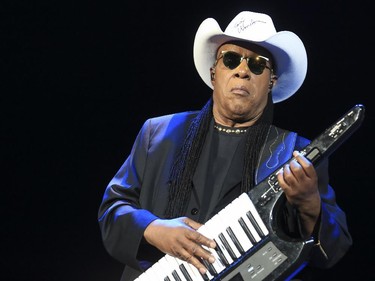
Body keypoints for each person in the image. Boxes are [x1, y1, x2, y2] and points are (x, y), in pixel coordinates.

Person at [98, 11, 352, 281]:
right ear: (214, 73)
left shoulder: (294, 153)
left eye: (257, 65)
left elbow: (333, 250)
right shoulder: (158, 134)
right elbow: (113, 210)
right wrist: (153, 229)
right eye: (230, 60)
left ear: (271, 82)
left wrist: (309, 204)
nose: (242, 71)